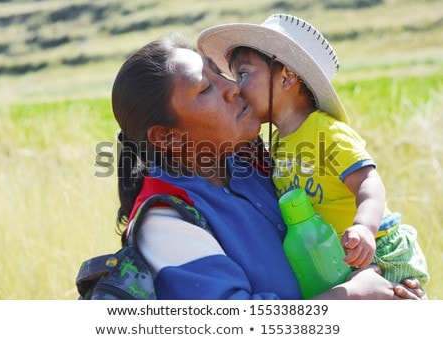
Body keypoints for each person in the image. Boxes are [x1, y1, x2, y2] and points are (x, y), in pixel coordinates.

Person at [111, 32, 425, 299]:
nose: (232, 87)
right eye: (205, 88)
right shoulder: (165, 220)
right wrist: (354, 296)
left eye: (219, 74)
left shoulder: (260, 165)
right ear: (167, 137)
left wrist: (391, 285)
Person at [197, 14, 429, 286]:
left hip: (375, 249)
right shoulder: (280, 142)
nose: (236, 87)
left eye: (244, 74)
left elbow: (368, 181)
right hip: (335, 258)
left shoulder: (325, 132)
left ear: (287, 77)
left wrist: (364, 227)